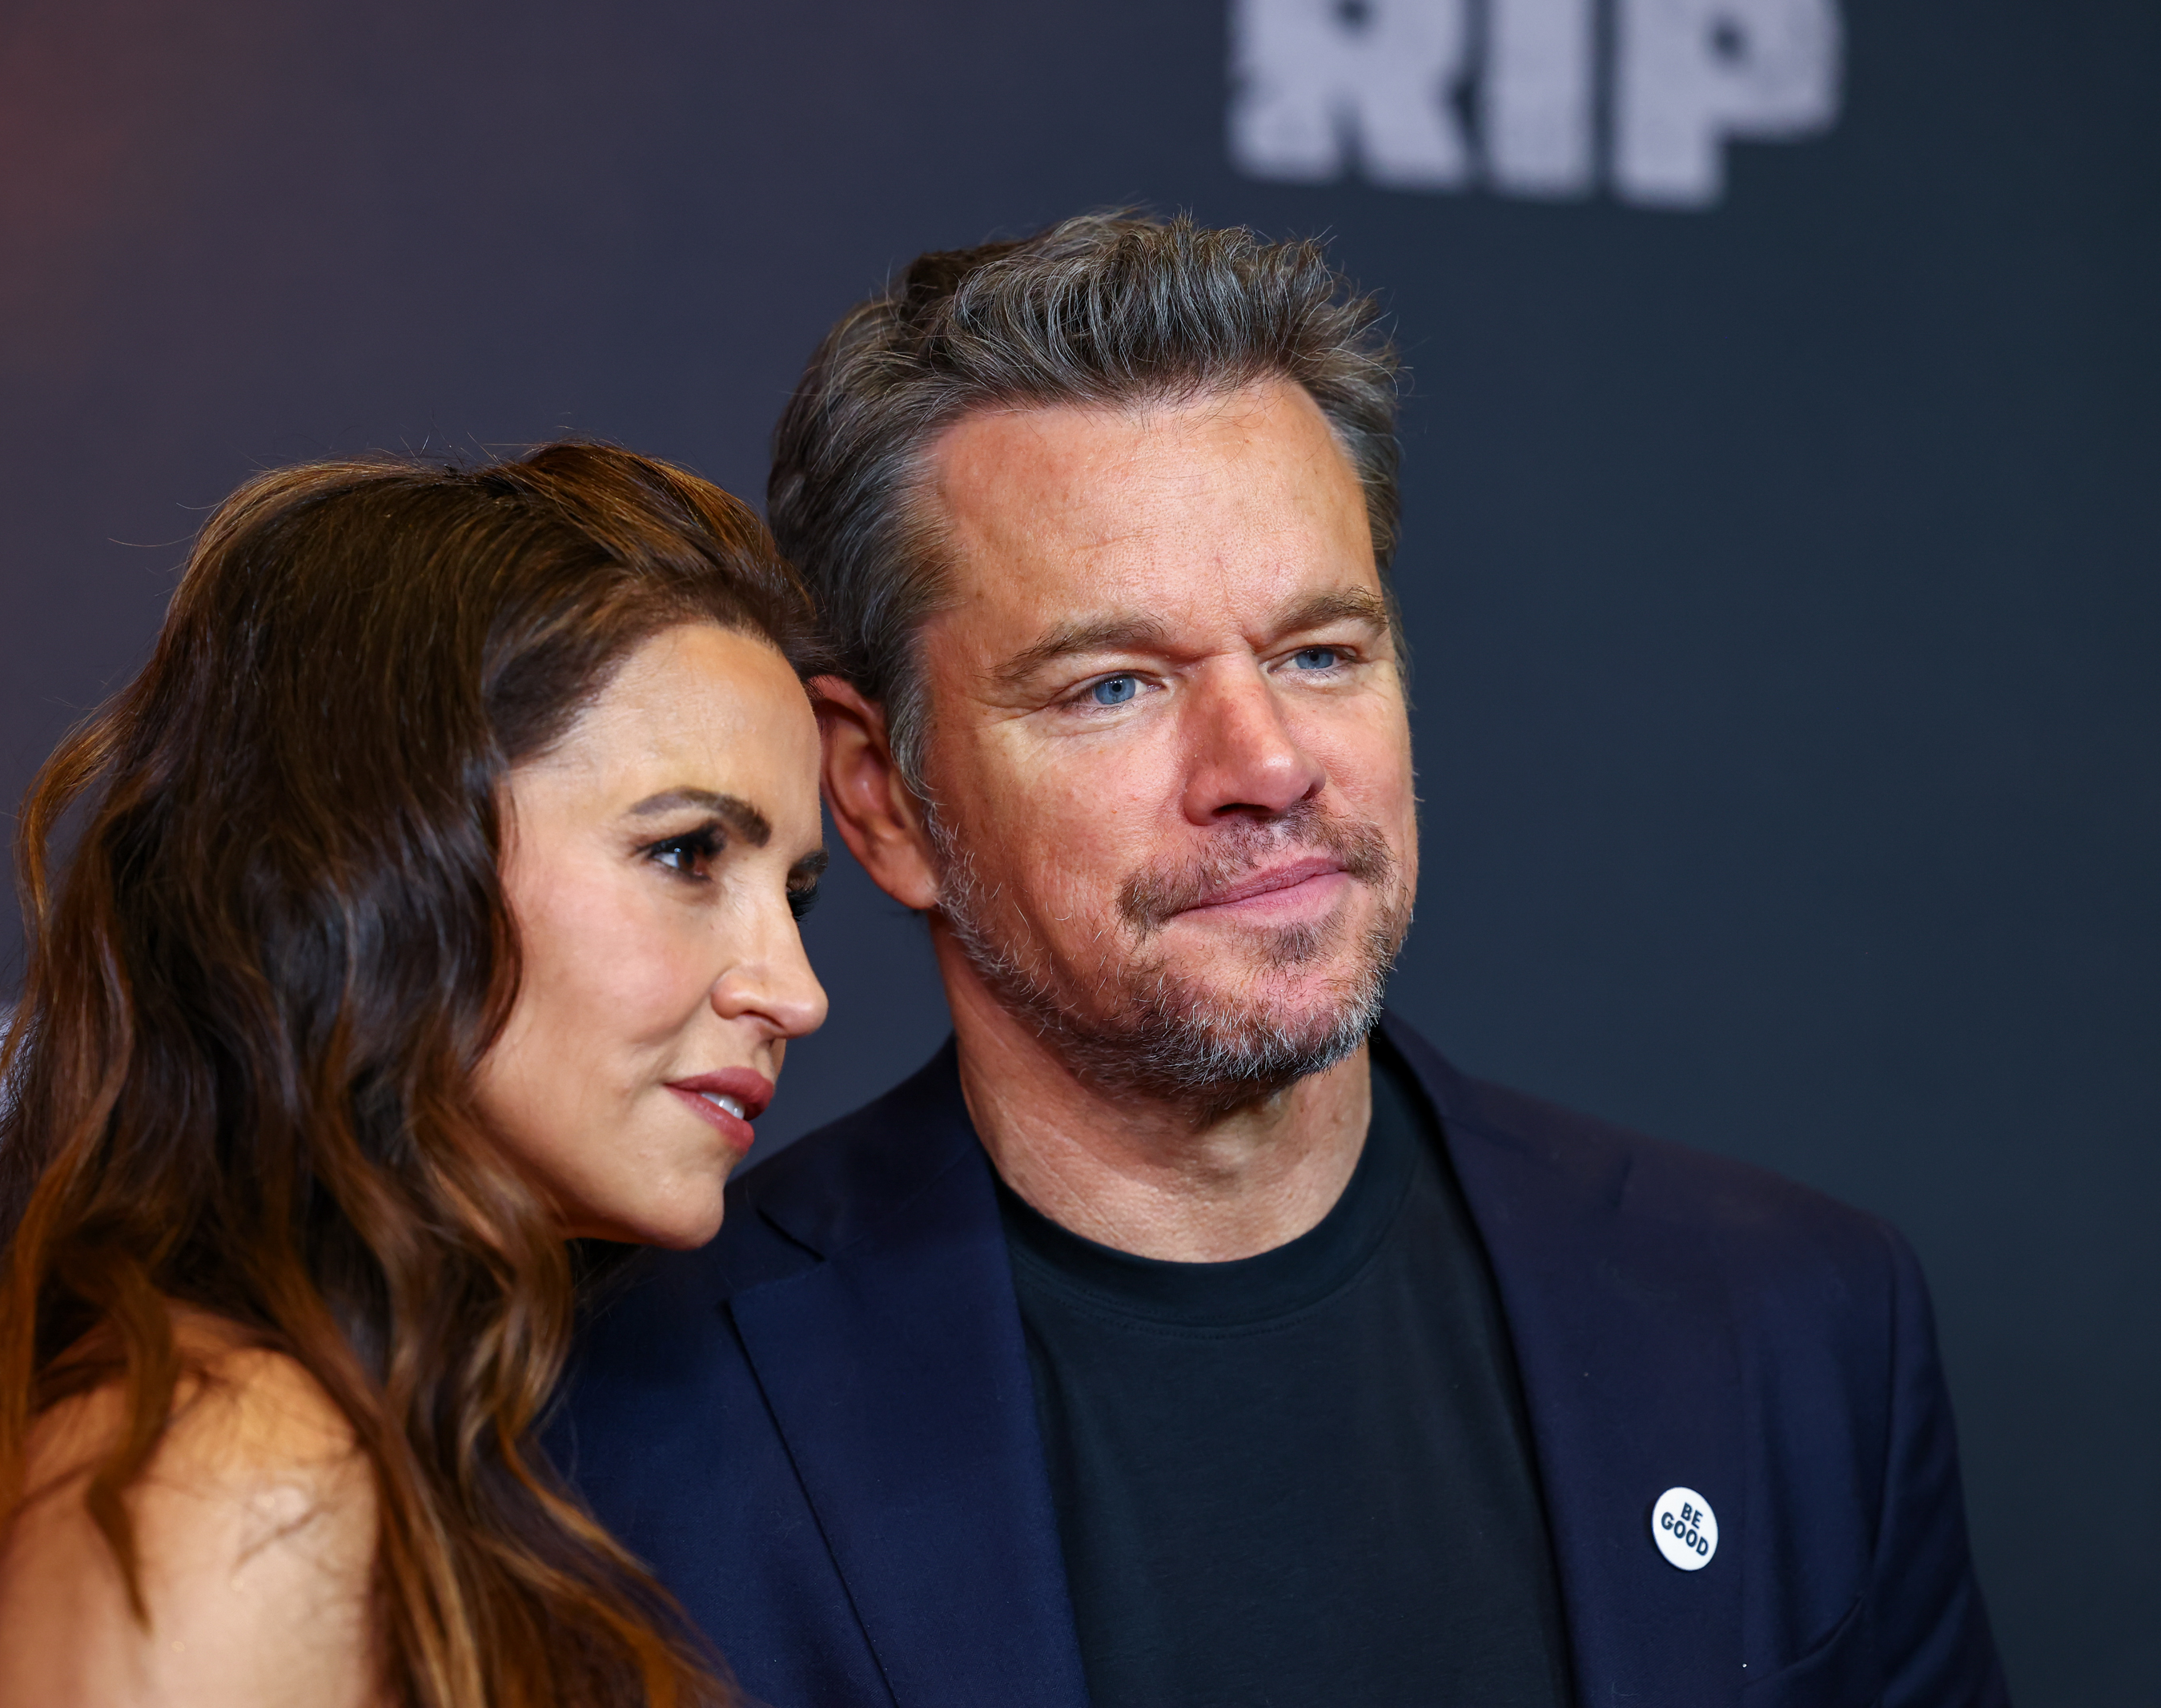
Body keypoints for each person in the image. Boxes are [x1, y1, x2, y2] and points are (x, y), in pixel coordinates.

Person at [556, 215, 2010, 1706]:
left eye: (1321, 652)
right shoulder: (607, 1417)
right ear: (882, 798)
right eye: (1113, 684)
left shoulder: (1794, 1322)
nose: (1267, 763)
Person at [0, 444, 830, 1708]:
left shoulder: (353, 1441)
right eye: (687, 852)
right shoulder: (232, 1470)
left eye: (796, 891)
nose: (795, 988)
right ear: (381, 863)